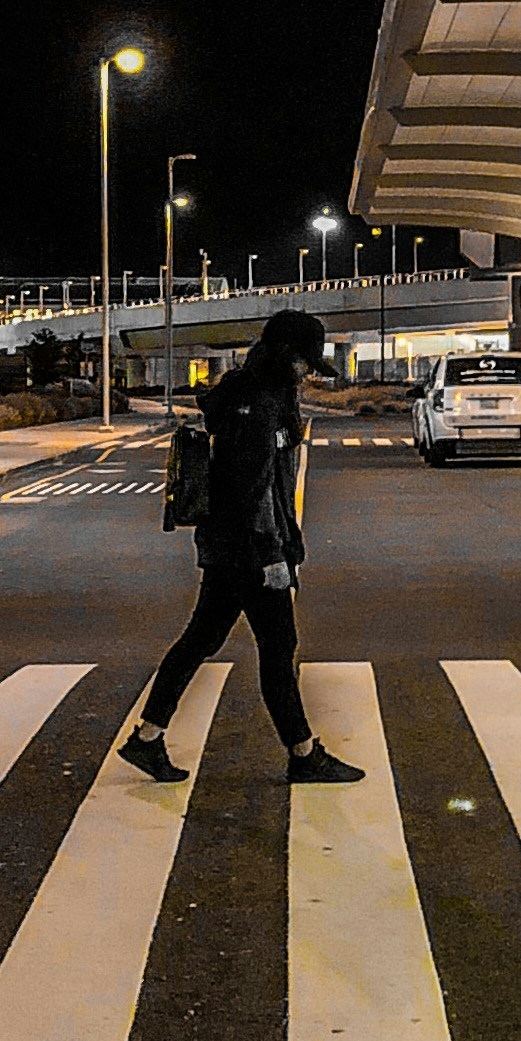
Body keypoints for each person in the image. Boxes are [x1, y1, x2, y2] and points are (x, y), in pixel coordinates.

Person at [121, 309, 364, 785]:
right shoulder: (261, 402)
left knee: (203, 639)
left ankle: (147, 738)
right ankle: (303, 753)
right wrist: (274, 556)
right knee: (278, 647)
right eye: (304, 363)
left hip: (226, 545)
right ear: (285, 357)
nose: (309, 373)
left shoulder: (245, 392)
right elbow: (253, 488)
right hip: (252, 550)